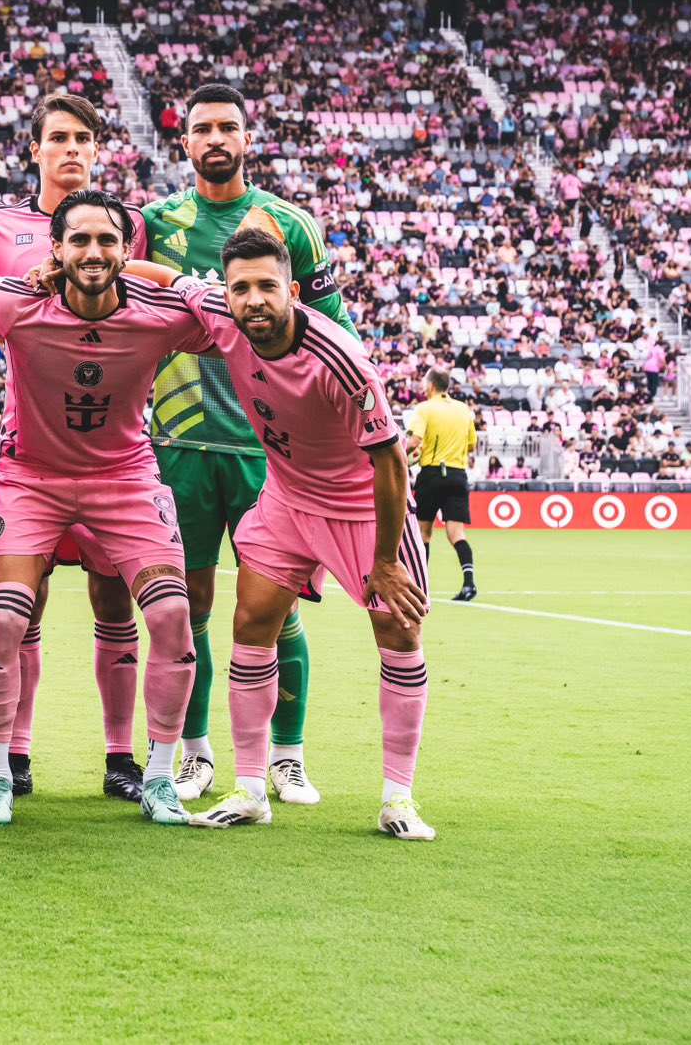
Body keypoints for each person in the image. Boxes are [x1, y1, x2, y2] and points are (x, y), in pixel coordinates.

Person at [150, 227, 436, 841]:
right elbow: (166, 280)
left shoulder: (338, 357)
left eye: (267, 287)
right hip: (286, 497)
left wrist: (386, 560)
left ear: (293, 289)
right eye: (241, 288)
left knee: (398, 630)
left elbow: (390, 461)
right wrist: (107, 266)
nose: (253, 299)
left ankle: (399, 798)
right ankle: (251, 789)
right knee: (250, 623)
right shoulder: (222, 317)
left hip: (362, 507)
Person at [0, 190, 209, 826]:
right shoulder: (15, 304)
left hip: (124, 478)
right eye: (79, 240)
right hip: (31, 478)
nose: (93, 252)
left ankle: (158, 778)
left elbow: (235, 316)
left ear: (127, 250)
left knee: (174, 614)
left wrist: (178, 277)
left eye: (106, 240)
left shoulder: (160, 312)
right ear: (57, 249)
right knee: (5, 623)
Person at [141, 82, 351, 806]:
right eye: (204, 128)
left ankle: (286, 757)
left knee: (276, 608)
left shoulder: (290, 226)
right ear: (186, 140)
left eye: (229, 126)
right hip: (180, 442)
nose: (216, 138)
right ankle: (195, 754)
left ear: (246, 136)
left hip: (270, 450)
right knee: (188, 603)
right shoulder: (156, 221)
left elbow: (335, 334)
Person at [0, 91, 153, 803]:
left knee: (115, 599)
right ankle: (14, 756)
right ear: (35, 149)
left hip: (115, 452)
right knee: (22, 606)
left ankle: (120, 758)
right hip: (31, 452)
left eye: (85, 139)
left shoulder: (128, 225)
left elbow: (157, 297)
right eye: (60, 138)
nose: (73, 149)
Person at [407, 368, 480, 601]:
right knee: (456, 533)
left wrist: (400, 453)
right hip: (458, 474)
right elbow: (471, 446)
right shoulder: (463, 409)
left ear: (430, 386)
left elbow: (414, 441)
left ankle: (420, 587)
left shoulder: (424, 408)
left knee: (423, 533)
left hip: (432, 474)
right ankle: (469, 583)